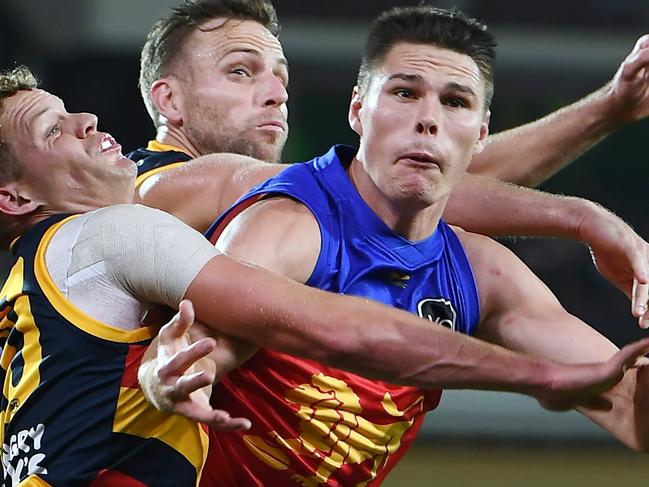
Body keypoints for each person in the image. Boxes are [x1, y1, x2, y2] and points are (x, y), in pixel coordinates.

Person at [1, 67, 638, 487]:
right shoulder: (137, 222)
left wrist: (584, 217)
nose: (274, 91)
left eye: (455, 103)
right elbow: (344, 325)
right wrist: (538, 374)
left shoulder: (47, 273)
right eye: (240, 67)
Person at [140, 7, 649, 486]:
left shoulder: (485, 273)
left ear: (482, 135)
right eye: (405, 93)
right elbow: (208, 340)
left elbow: (627, 404)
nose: (428, 120)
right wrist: (180, 366)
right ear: (358, 111)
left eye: (455, 102)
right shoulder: (242, 208)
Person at [132, 0, 649, 323]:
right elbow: (385, 192)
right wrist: (584, 218)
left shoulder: (287, 205)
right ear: (169, 101)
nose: (274, 92)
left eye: (280, 76)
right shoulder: (152, 188)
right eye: (241, 72)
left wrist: (610, 107)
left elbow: (426, 179)